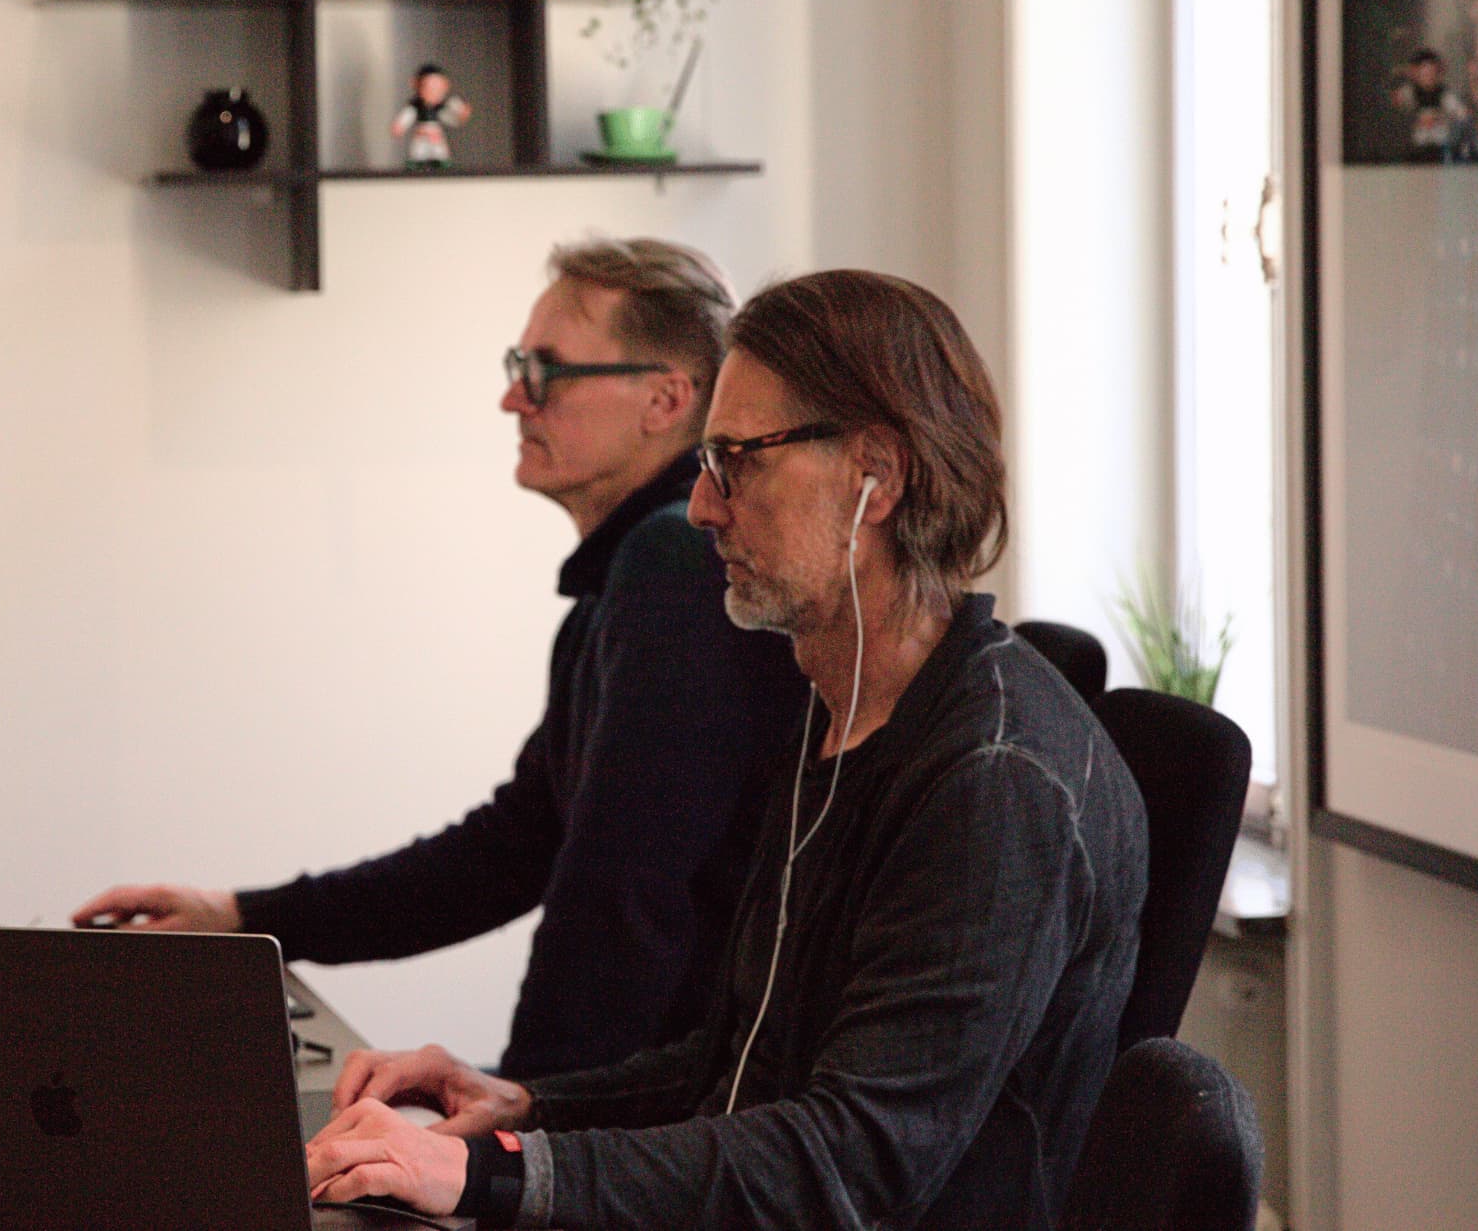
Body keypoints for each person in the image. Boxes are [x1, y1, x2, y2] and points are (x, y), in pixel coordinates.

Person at [303, 269, 1150, 1229]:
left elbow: (852, 1158)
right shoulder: (843, 713)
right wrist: (522, 1109)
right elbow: (737, 1061)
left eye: (738, 460)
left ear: (880, 474)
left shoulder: (995, 779)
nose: (704, 507)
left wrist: (497, 1178)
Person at [73, 238, 807, 1080]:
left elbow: (619, 901)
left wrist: (524, 1132)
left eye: (545, 370)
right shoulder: (631, 579)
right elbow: (518, 844)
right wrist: (243, 916)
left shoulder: (672, 560)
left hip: (677, 1129)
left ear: (665, 399)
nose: (511, 398)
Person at [390, 63, 472, 168]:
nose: (433, 91)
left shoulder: (440, 108)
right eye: (429, 87)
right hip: (421, 134)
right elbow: (407, 117)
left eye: (437, 88)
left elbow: (450, 120)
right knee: (418, 152)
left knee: (439, 152)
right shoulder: (415, 107)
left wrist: (461, 117)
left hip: (436, 135)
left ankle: (441, 165)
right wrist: (400, 126)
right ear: (417, 85)